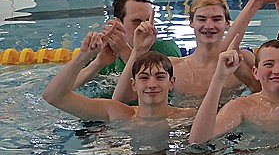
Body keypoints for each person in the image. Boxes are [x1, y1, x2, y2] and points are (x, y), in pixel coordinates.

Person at [43, 26, 193, 123]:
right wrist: (83, 56)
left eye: (160, 77)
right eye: (144, 77)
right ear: (133, 84)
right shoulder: (117, 113)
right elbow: (53, 97)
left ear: (171, 82)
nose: (152, 84)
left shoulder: (187, 117)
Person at [189, 39, 279, 144]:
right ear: (256, 73)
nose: (276, 70)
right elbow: (198, 140)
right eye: (268, 64)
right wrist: (219, 77)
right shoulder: (241, 107)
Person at [73, 0, 181, 88]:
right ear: (118, 23)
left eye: (149, 20)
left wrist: (125, 51)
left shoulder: (166, 49)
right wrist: (98, 63)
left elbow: (167, 90)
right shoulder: (99, 49)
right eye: (136, 22)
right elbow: (67, 89)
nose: (144, 27)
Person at [166, 0, 259, 99]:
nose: (209, 26)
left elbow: (264, 94)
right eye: (202, 19)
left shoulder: (242, 61)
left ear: (227, 23)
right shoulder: (172, 67)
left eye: (216, 19)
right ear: (191, 22)